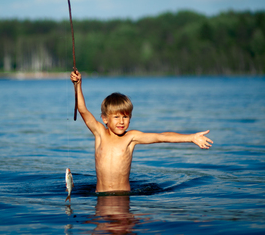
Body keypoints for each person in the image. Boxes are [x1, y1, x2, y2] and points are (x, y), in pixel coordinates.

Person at [70, 70, 213, 193]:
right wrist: (78, 85)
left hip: (123, 198)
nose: (121, 121)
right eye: (116, 117)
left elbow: (161, 137)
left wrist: (191, 137)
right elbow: (82, 109)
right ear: (105, 119)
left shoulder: (131, 138)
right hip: (101, 197)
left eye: (125, 117)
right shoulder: (100, 133)